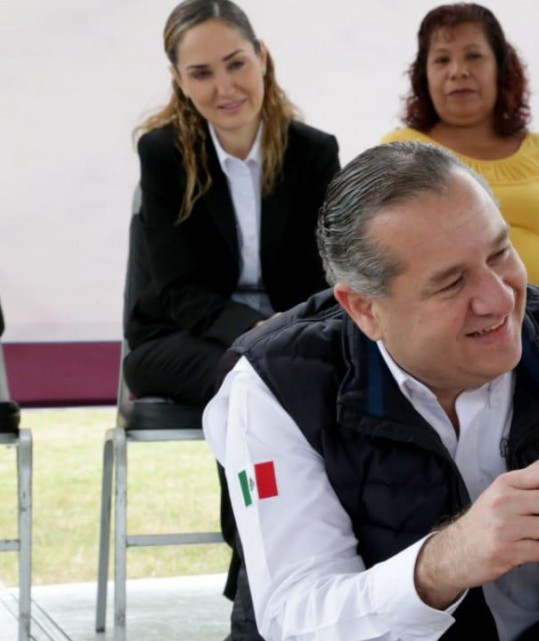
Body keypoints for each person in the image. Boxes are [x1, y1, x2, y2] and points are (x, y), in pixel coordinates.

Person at [203, 141, 539, 641]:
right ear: (364, 309)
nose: (499, 298)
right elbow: (297, 615)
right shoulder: (277, 384)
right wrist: (444, 562)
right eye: (450, 283)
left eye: (500, 252)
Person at [124, 0, 340, 636]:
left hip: (287, 331)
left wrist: (281, 332)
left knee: (287, 376)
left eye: (236, 63)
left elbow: (324, 273)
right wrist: (260, 337)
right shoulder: (164, 154)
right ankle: (254, 584)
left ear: (262, 57)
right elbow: (178, 293)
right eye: (201, 73)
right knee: (247, 377)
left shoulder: (312, 152)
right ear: (179, 81)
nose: (224, 88)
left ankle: (303, 573)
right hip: (177, 338)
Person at [381, 3, 539, 299]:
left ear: (500, 69)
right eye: (441, 60)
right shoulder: (402, 150)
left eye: (474, 56)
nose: (458, 72)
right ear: (424, 76)